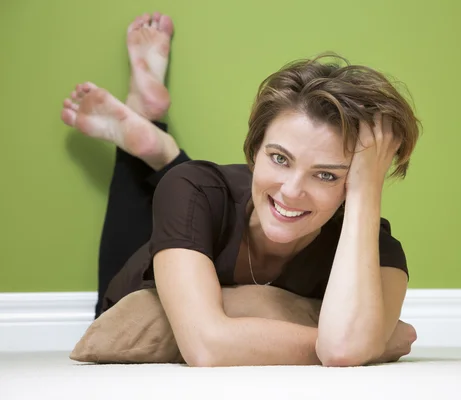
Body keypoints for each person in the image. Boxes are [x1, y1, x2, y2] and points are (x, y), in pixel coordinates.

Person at [61, 12, 420, 367]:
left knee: (195, 191)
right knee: (181, 187)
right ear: (253, 149)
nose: (293, 191)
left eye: (326, 175)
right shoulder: (194, 189)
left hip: (212, 206)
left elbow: (341, 350)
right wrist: (375, 342)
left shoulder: (378, 250)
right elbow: (207, 347)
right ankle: (149, 126)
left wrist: (365, 194)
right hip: (148, 262)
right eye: (279, 158)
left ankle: (150, 128)